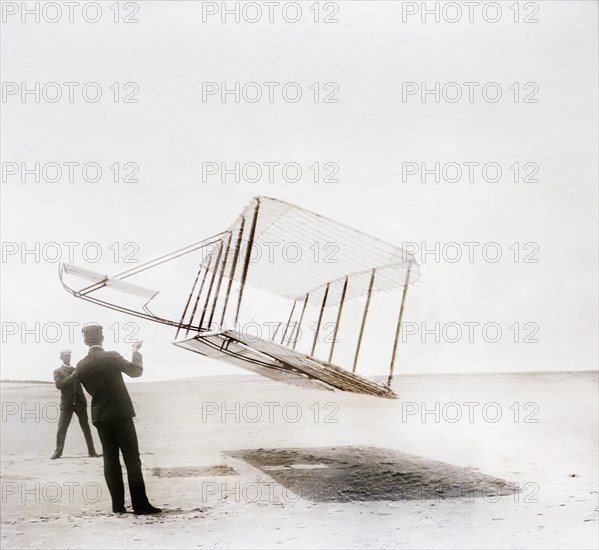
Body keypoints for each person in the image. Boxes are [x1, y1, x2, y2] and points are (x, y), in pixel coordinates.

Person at [76, 324, 161, 515]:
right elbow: (136, 371)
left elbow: (91, 389)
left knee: (110, 461)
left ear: (85, 341)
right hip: (121, 414)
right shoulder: (111, 355)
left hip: (99, 416)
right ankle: (140, 505)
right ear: (102, 338)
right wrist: (135, 351)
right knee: (132, 460)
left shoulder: (81, 365)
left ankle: (117, 506)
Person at [51, 349, 99, 460]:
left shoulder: (76, 370)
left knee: (86, 427)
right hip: (67, 404)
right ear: (61, 358)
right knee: (62, 428)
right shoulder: (57, 371)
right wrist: (72, 376)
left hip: (80, 403)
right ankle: (58, 452)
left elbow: (87, 380)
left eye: (69, 356)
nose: (68, 358)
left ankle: (92, 452)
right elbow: (59, 385)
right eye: (66, 356)